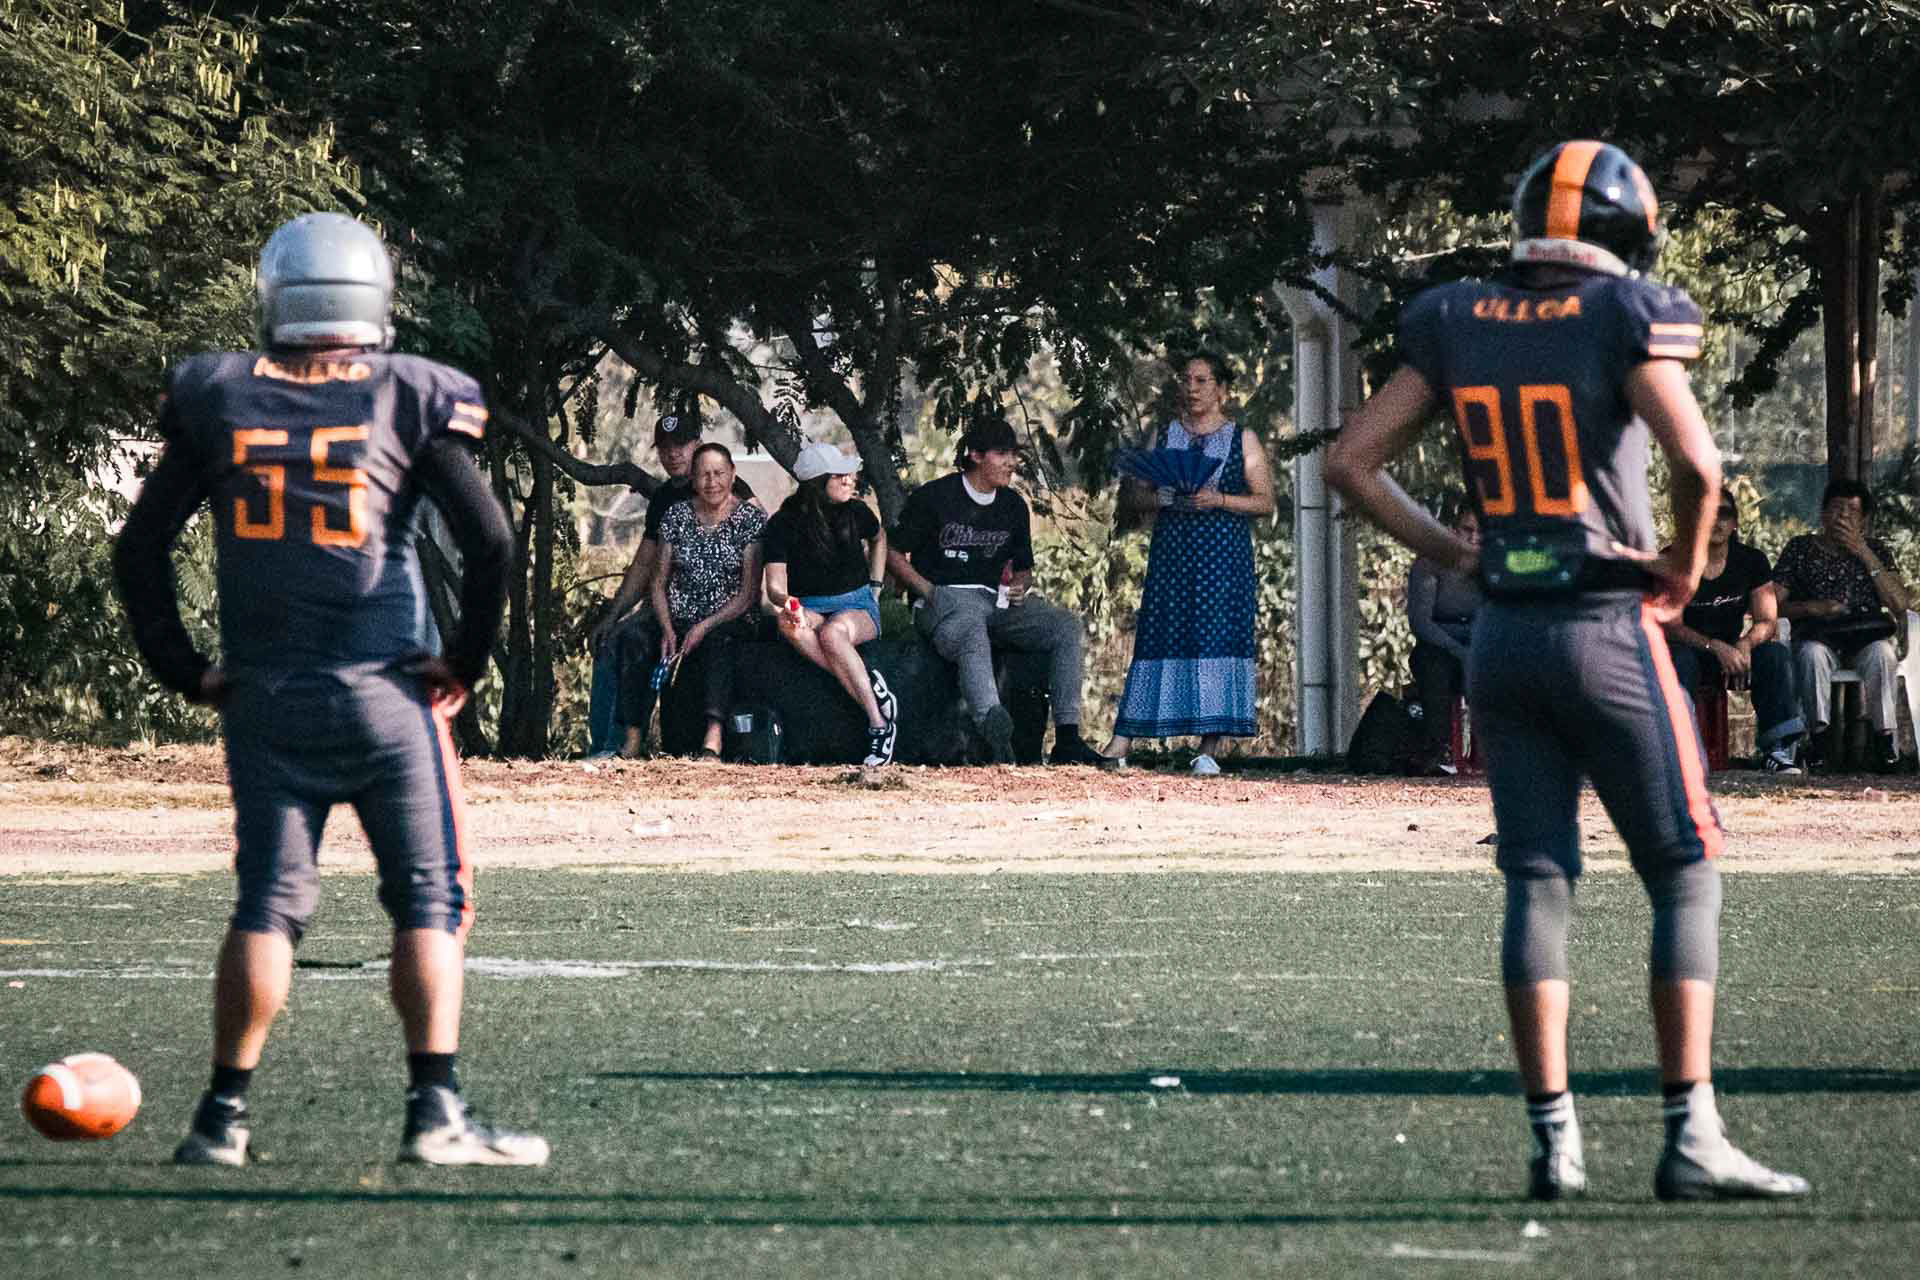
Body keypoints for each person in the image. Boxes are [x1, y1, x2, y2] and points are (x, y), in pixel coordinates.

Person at [1326, 140, 1807, 1203]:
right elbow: (1698, 465)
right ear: (1624, 235)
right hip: (1604, 624)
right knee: (1684, 866)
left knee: (1539, 876)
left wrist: (1454, 552)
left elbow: (1350, 462)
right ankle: (1690, 1133)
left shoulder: (1457, 316)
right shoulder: (1623, 313)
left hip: (1505, 632)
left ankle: (1556, 1140)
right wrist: (1683, 567)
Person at [110, 213, 547, 1167]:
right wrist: (464, 663)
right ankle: (435, 1111)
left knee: (268, 902)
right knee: (430, 900)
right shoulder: (406, 394)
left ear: (276, 298)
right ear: (374, 299)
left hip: (265, 696)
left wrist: (183, 668)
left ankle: (220, 1119)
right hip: (387, 692)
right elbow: (491, 540)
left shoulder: (220, 394)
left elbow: (139, 548)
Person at [886, 416, 1105, 766]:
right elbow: (893, 552)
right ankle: (995, 731)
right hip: (943, 601)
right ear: (975, 455)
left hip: (995, 601)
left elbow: (1024, 569)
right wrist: (929, 591)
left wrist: (1019, 586)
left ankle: (1067, 739)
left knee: (1065, 625)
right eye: (1002, 454)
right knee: (971, 624)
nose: (1012, 463)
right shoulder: (935, 497)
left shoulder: (1013, 506)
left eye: (1014, 454)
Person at [1104, 352, 1276, 775]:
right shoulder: (1164, 434)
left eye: (1202, 381)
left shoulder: (1242, 439)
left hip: (1222, 556)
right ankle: (1122, 740)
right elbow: (1135, 495)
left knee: (1215, 638)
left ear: (1222, 389)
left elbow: (1264, 501)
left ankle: (1208, 748)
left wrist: (1219, 499)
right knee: (1158, 633)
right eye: (1187, 380)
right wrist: (1164, 497)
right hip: (1173, 552)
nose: (1192, 388)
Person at [586, 412, 756, 758]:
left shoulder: (730, 490)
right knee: (618, 640)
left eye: (681, 445)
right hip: (672, 608)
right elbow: (646, 567)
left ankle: (711, 742)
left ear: (697, 445)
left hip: (725, 613)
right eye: (665, 447)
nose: (673, 453)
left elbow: (763, 548)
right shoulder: (667, 502)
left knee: (716, 645)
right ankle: (612, 745)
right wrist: (614, 615)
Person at [763, 441, 898, 767]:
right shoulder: (783, 523)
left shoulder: (856, 512)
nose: (849, 480)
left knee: (833, 634)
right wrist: (794, 606)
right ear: (816, 483)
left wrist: (876, 585)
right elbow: (775, 588)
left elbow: (879, 538)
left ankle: (878, 724)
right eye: (839, 476)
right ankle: (868, 681)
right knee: (789, 625)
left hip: (856, 606)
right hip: (809, 606)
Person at [1772, 479, 1911, 772]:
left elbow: (1899, 603)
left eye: (1852, 512)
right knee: (1811, 655)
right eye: (1836, 509)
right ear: (1823, 514)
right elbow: (1771, 605)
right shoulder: (1800, 548)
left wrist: (1864, 552)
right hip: (1818, 635)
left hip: (1865, 636)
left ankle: (1886, 743)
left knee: (1883, 654)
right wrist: (1810, 607)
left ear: (1863, 520)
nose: (1842, 517)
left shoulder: (1877, 550)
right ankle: (1818, 742)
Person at [1661, 495, 1804, 773]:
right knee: (1679, 661)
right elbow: (1671, 626)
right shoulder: (1674, 559)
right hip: (1688, 649)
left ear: (1735, 522)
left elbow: (1767, 620)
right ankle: (1678, 751)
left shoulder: (1751, 560)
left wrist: (1745, 644)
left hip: (1734, 653)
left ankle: (1776, 750)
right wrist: (1714, 646)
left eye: (1724, 513)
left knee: (1774, 656)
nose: (1716, 520)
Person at [651, 441, 769, 757]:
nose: (712, 482)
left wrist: (704, 626)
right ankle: (630, 739)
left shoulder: (749, 520)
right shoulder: (676, 516)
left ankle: (713, 737)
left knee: (717, 640)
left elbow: (748, 594)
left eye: (719, 473)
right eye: (704, 474)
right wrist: (666, 628)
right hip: (680, 617)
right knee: (636, 639)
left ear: (733, 475)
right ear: (693, 479)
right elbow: (658, 582)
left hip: (730, 618)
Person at [1404, 502, 1484, 775]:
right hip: (1441, 648)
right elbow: (1421, 622)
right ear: (1453, 530)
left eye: (1481, 531)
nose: (1474, 538)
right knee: (1432, 663)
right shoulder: (1430, 564)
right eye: (1467, 530)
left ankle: (1494, 750)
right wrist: (1458, 650)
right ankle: (1439, 749)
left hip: (1479, 645)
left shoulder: (1496, 566)